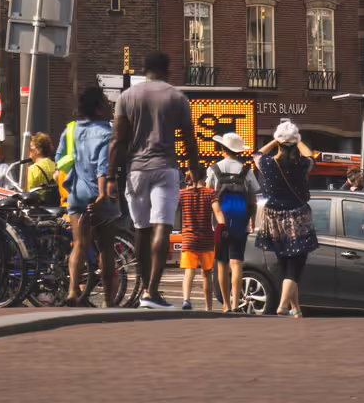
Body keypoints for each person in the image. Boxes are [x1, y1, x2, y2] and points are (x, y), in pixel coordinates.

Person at [109, 49, 202, 311]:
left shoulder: (126, 97)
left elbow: (118, 140)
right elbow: (189, 138)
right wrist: (195, 169)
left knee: (140, 229)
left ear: (144, 70)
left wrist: (110, 176)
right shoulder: (177, 97)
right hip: (166, 167)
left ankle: (145, 287)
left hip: (135, 170)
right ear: (166, 70)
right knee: (162, 225)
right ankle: (151, 290)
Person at [253, 121, 318, 318]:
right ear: (295, 142)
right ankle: (283, 305)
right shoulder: (302, 165)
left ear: (279, 142)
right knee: (295, 266)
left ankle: (295, 308)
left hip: (274, 218)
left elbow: (257, 153)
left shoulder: (267, 164)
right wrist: (298, 140)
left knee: (285, 262)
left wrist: (275, 141)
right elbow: (310, 155)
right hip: (298, 217)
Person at [65, 85, 120, 307]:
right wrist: (103, 194)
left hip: (76, 192)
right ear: (98, 109)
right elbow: (103, 166)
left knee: (79, 243)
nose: (110, 106)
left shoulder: (71, 130)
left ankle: (72, 291)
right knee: (106, 247)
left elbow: (65, 160)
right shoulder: (107, 132)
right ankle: (109, 300)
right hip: (98, 193)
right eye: (107, 103)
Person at [208, 131, 258, 314]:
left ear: (223, 150)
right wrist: (251, 220)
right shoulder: (246, 170)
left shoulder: (214, 169)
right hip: (240, 218)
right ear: (238, 151)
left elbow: (209, 195)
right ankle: (236, 304)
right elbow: (253, 200)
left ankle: (226, 305)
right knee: (237, 262)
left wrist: (217, 217)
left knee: (222, 262)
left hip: (221, 219)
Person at [177, 171, 219, 312]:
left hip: (189, 239)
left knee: (189, 271)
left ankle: (186, 300)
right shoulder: (211, 193)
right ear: (204, 178)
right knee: (207, 274)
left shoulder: (182, 194)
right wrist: (223, 228)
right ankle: (209, 307)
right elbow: (218, 213)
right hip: (207, 239)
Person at [27, 133, 59, 200]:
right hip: (55, 206)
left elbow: (28, 193)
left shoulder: (32, 169)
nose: (29, 151)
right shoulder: (56, 166)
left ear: (39, 150)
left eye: (30, 148)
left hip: (38, 207)